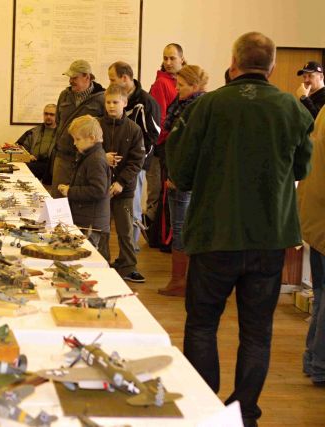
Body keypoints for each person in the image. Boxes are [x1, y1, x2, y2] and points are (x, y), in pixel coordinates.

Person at [167, 32, 313, 426]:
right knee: (257, 331)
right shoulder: (291, 108)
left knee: (202, 324)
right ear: (271, 66)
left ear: (233, 63)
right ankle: (244, 412)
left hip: (215, 234)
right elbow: (302, 167)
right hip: (269, 236)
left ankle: (204, 408)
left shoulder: (208, 105)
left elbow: (180, 171)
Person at [157, 65, 208, 297]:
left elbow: (189, 147)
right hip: (182, 175)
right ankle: (183, 280)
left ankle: (179, 281)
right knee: (182, 227)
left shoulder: (193, 110)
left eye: (181, 85)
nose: (177, 89)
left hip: (183, 179)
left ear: (195, 86)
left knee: (180, 228)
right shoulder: (189, 106)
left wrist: (177, 176)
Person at [107, 61, 161, 251]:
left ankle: (132, 250)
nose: (109, 83)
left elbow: (153, 135)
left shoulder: (146, 102)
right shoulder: (115, 101)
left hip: (135, 166)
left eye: (112, 79)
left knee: (132, 209)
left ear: (124, 78)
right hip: (113, 164)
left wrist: (136, 160)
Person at [98, 85, 145, 282]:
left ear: (125, 103)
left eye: (115, 102)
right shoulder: (96, 125)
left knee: (125, 230)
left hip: (123, 190)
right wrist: (102, 157)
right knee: (102, 229)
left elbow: (136, 162)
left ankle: (128, 265)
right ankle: (101, 262)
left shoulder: (134, 129)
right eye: (108, 102)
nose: (111, 106)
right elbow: (86, 152)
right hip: (100, 187)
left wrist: (121, 183)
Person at [57, 115, 110, 259]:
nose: (74, 143)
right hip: (87, 218)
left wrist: (70, 191)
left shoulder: (95, 159)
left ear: (92, 138)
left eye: (78, 139)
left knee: (91, 260)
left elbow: (98, 190)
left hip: (92, 223)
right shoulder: (89, 155)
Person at [50, 60, 105, 198]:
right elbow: (58, 121)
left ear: (87, 76)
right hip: (63, 158)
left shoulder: (102, 99)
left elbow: (104, 130)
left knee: (79, 199)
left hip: (86, 159)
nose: (70, 81)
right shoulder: (64, 95)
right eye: (70, 77)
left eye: (74, 78)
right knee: (58, 199)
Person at [298, 107, 325, 387]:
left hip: (315, 219)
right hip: (321, 221)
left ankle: (314, 360)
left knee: (321, 295)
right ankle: (320, 365)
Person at [146, 44, 185, 232]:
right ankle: (158, 233)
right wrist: (163, 143)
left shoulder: (183, 80)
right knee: (160, 192)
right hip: (164, 146)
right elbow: (159, 118)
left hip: (178, 146)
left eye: (172, 58)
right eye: (165, 58)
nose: (168, 62)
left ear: (182, 59)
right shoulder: (161, 83)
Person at [14, 104, 57, 181]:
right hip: (34, 163)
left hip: (52, 166)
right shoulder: (33, 132)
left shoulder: (62, 135)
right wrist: (27, 156)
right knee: (17, 167)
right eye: (46, 114)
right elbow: (17, 147)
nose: (48, 116)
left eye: (52, 114)